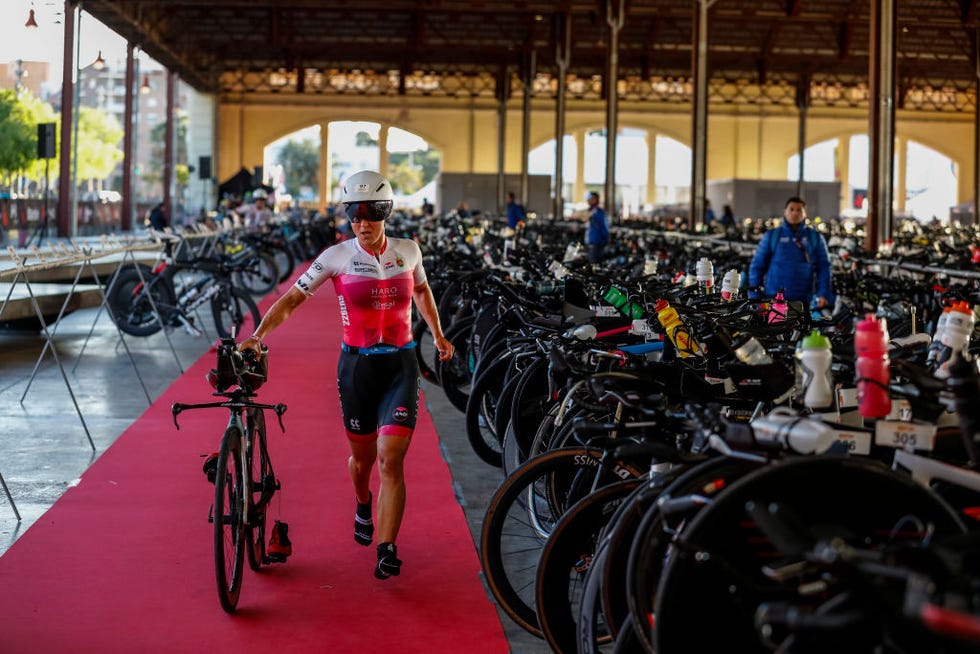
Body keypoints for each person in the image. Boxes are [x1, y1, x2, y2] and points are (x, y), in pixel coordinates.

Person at [239, 170, 454, 580]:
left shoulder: (409, 250)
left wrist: (439, 336)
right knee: (363, 460)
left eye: (371, 213)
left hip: (400, 365)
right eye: (354, 214)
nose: (362, 222)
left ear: (385, 212)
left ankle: (386, 547)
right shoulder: (335, 257)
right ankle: (361, 503)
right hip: (356, 367)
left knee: (391, 460)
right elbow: (291, 300)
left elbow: (422, 292)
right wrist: (258, 335)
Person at [748, 196, 834, 310]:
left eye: (799, 210)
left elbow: (824, 267)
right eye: (791, 209)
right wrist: (755, 296)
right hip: (773, 298)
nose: (795, 213)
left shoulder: (815, 237)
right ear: (785, 211)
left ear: (805, 213)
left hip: (803, 300)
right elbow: (757, 266)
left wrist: (823, 294)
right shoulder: (772, 235)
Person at [584, 191, 609, 264]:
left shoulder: (599, 212)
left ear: (595, 199)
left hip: (596, 243)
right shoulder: (591, 211)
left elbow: (604, 227)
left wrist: (605, 240)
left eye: (590, 198)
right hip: (590, 242)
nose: (588, 200)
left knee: (593, 264)